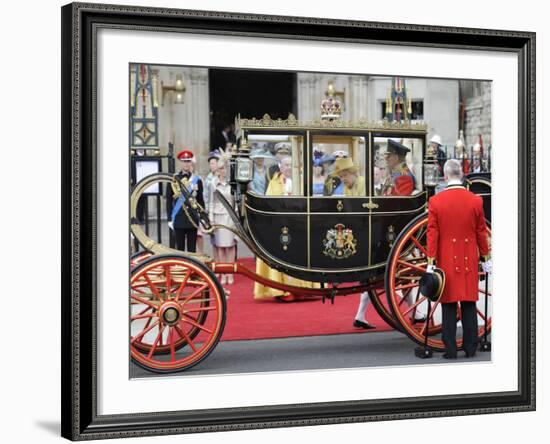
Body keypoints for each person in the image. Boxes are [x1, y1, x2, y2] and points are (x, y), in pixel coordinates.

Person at [426, 159, 491, 359]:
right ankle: (471, 348)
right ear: (461, 175)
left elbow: (432, 234)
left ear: (445, 177)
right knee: (469, 302)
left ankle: (451, 349)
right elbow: (481, 231)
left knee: (448, 303)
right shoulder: (475, 201)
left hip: (447, 257)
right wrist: (486, 257)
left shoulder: (436, 202)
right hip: (469, 257)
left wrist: (430, 261)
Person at [254, 156, 319, 301]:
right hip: (280, 225)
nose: (289, 167)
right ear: (280, 167)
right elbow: (269, 203)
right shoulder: (274, 182)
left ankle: (304, 288)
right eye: (286, 165)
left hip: (299, 224)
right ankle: (281, 289)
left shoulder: (302, 180)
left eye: (291, 164)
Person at [169, 149, 204, 253]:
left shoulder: (197, 180)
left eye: (188, 161)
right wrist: (169, 219)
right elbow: (169, 200)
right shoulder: (174, 179)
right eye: (184, 161)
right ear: (180, 162)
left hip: (192, 219)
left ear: (191, 163)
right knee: (179, 249)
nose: (186, 164)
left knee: (192, 250)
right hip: (179, 218)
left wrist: (202, 217)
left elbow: (200, 200)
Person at [208, 155, 237, 285]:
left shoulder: (232, 183)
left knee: (230, 246)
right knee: (220, 246)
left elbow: (235, 202)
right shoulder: (212, 183)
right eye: (220, 168)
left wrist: (237, 219)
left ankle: (230, 273)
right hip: (218, 216)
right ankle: (223, 273)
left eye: (224, 168)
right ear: (217, 170)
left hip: (230, 216)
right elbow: (210, 202)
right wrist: (211, 219)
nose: (222, 171)